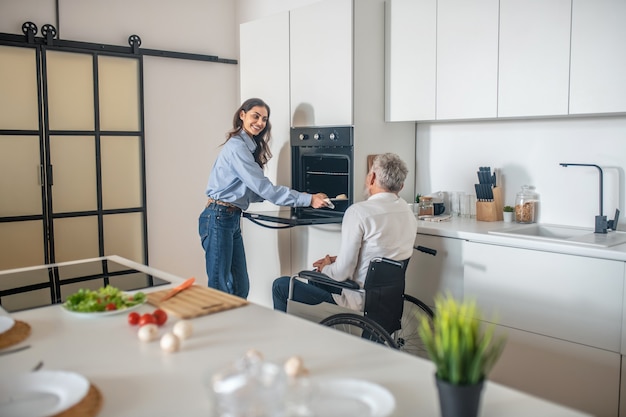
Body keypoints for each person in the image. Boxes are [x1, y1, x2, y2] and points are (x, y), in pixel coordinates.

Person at [199, 98, 329, 298]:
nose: (260, 122)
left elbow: (255, 191)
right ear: (242, 115)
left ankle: (236, 327)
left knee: (240, 287)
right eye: (255, 116)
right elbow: (265, 189)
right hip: (218, 217)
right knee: (219, 289)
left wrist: (302, 196)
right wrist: (307, 199)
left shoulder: (247, 146)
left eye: (264, 119)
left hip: (230, 218)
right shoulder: (237, 148)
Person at [272, 153, 418, 312]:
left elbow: (342, 273)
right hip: (386, 304)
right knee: (317, 279)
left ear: (372, 177)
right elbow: (381, 255)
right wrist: (337, 260)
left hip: (356, 304)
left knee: (281, 286)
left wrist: (327, 267)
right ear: (401, 186)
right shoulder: (407, 211)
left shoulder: (359, 212)